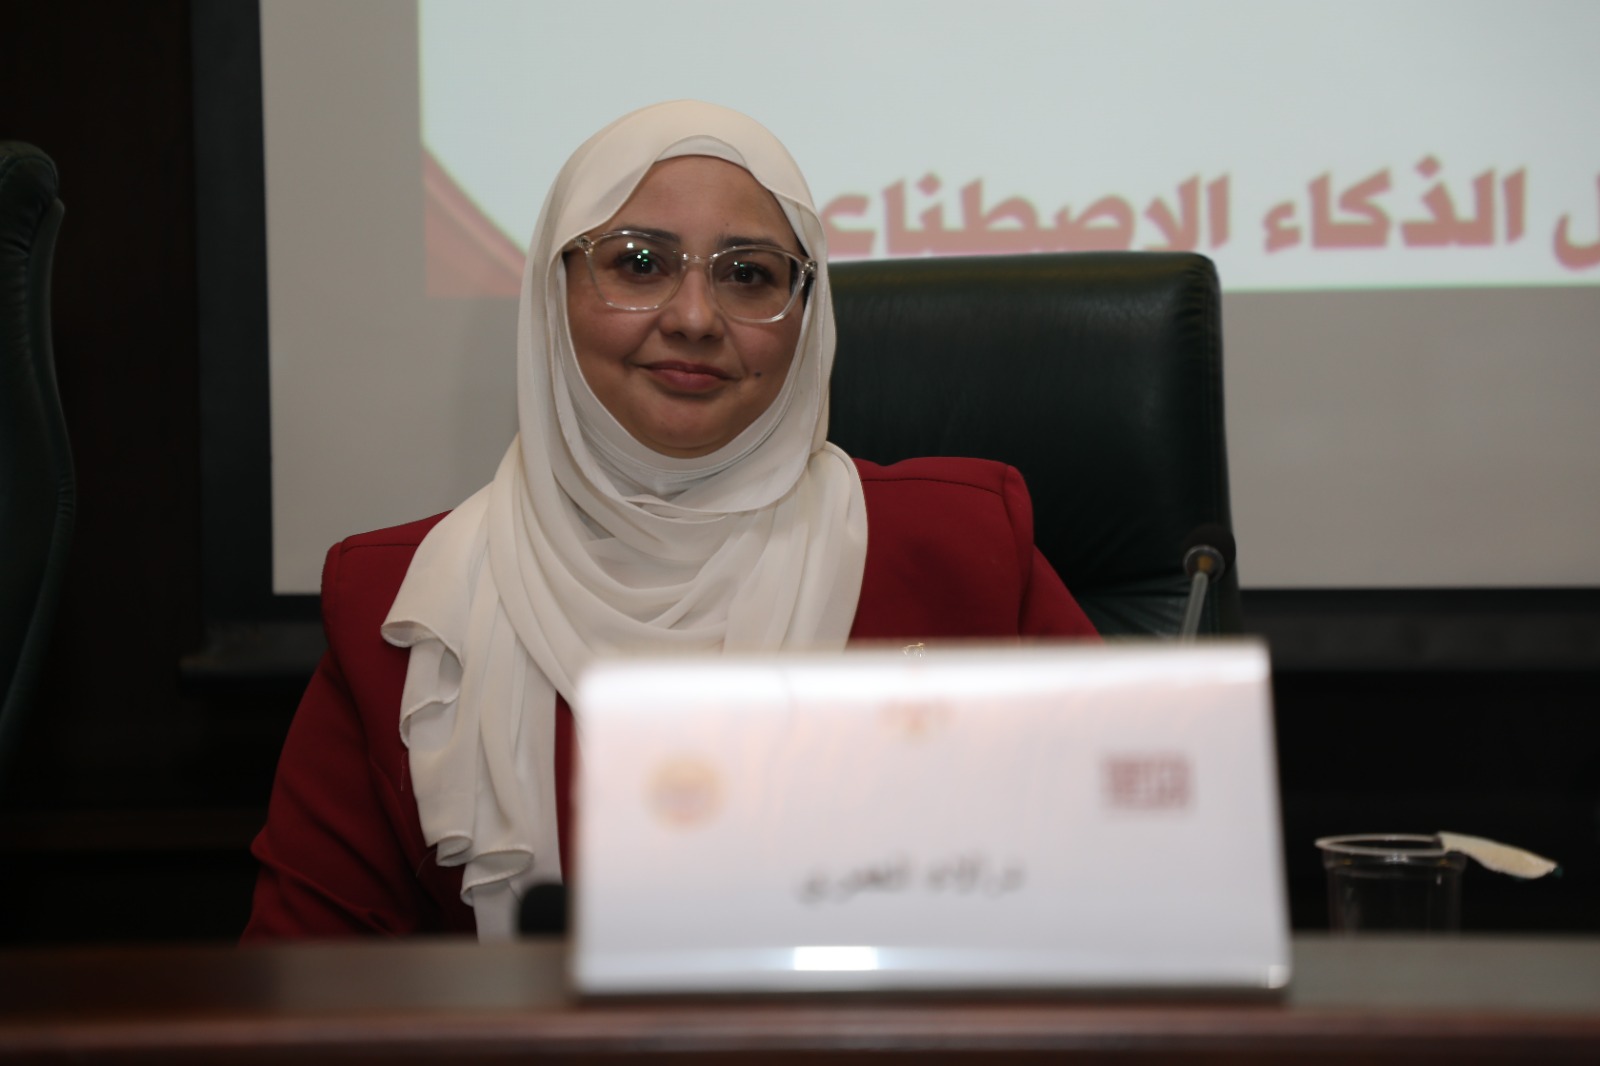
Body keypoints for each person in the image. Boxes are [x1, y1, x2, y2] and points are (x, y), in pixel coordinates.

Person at [243, 100, 1096, 942]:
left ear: (809, 315)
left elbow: (1127, 871)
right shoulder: (406, 606)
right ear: (553, 294)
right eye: (639, 263)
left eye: (749, 275)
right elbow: (307, 978)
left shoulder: (963, 547)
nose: (693, 318)